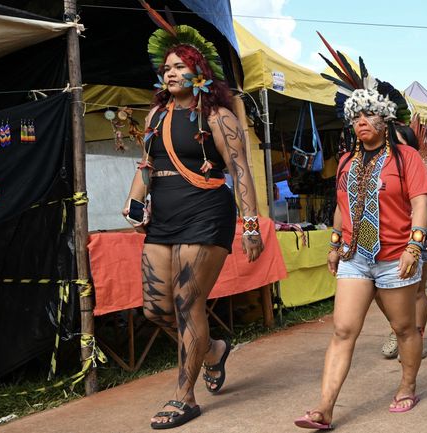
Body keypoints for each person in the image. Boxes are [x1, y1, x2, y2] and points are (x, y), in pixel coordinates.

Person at [122, 18, 263, 429]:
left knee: (187, 303)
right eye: (166, 68)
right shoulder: (155, 115)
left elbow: (241, 170)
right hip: (163, 217)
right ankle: (214, 349)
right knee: (155, 309)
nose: (171, 73)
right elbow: (146, 166)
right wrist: (134, 202)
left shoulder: (218, 117)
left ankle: (184, 396)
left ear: (199, 72)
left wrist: (251, 225)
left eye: (180, 66)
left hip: (207, 213)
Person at [295, 88, 427, 429]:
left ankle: (407, 385)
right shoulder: (346, 161)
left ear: (385, 120)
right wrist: (333, 244)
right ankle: (324, 408)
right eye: (356, 116)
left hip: (393, 257)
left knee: (404, 328)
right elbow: (343, 207)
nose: (362, 122)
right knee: (343, 330)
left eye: (369, 115)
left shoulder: (405, 158)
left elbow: (419, 204)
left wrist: (414, 247)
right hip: (355, 258)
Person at [379, 124, 427, 360]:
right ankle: (400, 330)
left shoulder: (420, 167)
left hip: (419, 238)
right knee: (384, 291)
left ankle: (415, 337)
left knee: (417, 291)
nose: (394, 146)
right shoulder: (381, 167)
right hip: (390, 240)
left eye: (400, 141)